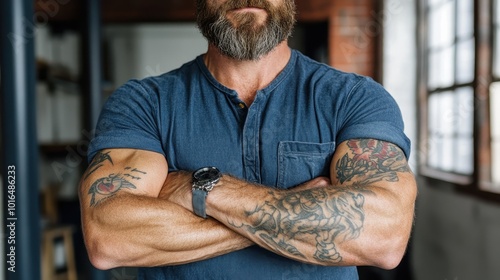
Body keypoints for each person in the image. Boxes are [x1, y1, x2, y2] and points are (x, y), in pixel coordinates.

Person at [79, 0, 417, 279]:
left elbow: (383, 236)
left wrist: (203, 189)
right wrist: (299, 213)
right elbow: (110, 238)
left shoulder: (354, 98)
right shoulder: (143, 103)